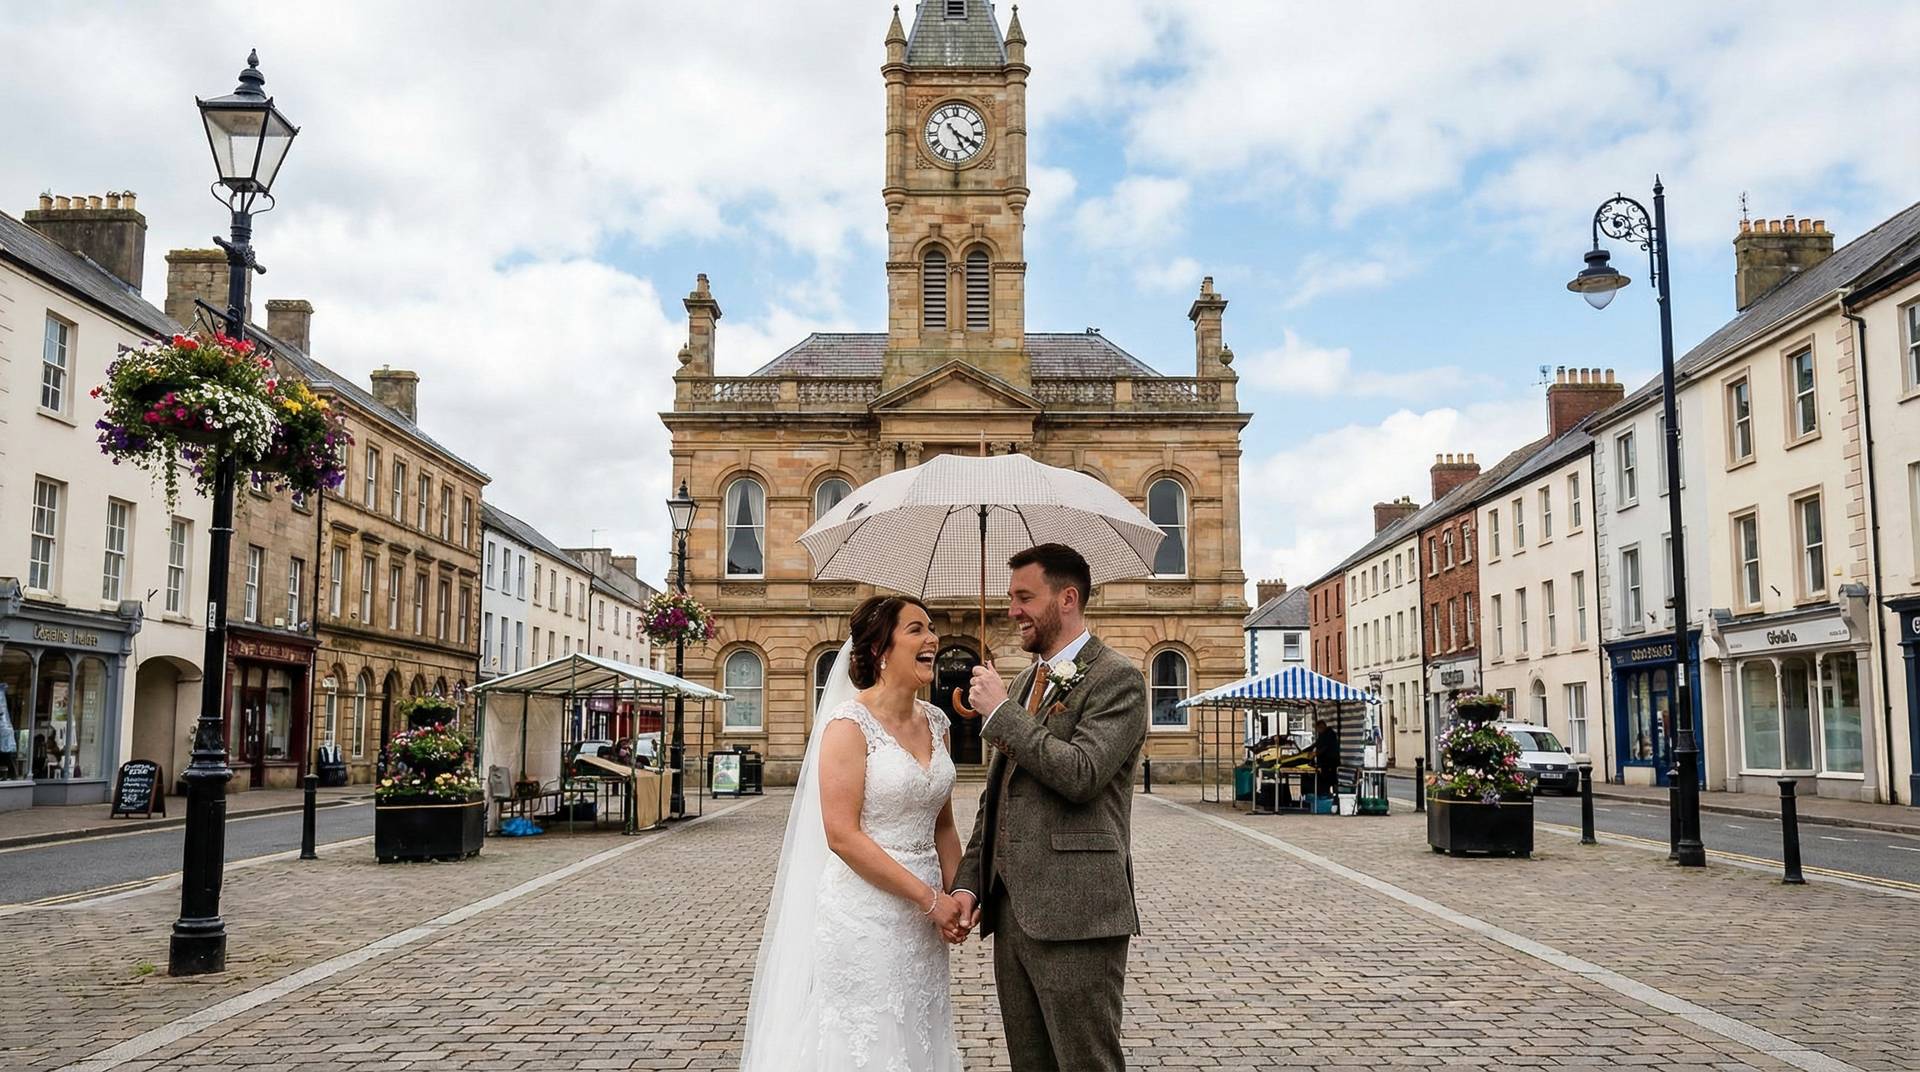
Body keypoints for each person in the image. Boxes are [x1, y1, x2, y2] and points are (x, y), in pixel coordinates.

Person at [740, 594, 967, 1071]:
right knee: (869, 1036)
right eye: (917, 630)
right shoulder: (848, 725)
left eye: (931, 629)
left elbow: (943, 823)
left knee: (918, 1028)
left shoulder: (939, 723)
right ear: (881, 650)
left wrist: (961, 890)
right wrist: (929, 898)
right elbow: (842, 836)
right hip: (866, 911)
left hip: (926, 916)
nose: (933, 638)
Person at [952, 543, 1149, 1072]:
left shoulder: (1118, 678)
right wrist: (969, 882)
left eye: (1023, 597)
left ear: (1066, 598)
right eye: (1010, 597)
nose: (1012, 610)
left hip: (1077, 912)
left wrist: (1001, 716)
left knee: (1085, 1062)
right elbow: (996, 799)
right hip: (1012, 912)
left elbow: (1082, 774)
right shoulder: (1020, 682)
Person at [1313, 718, 1340, 800]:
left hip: (1331, 761)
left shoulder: (1330, 734)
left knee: (1331, 780)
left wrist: (1315, 753)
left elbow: (1325, 747)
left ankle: (1335, 798)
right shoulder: (1322, 735)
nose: (1318, 731)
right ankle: (1329, 796)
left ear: (1322, 727)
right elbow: (1316, 744)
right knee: (1328, 781)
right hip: (1325, 762)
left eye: (1319, 729)